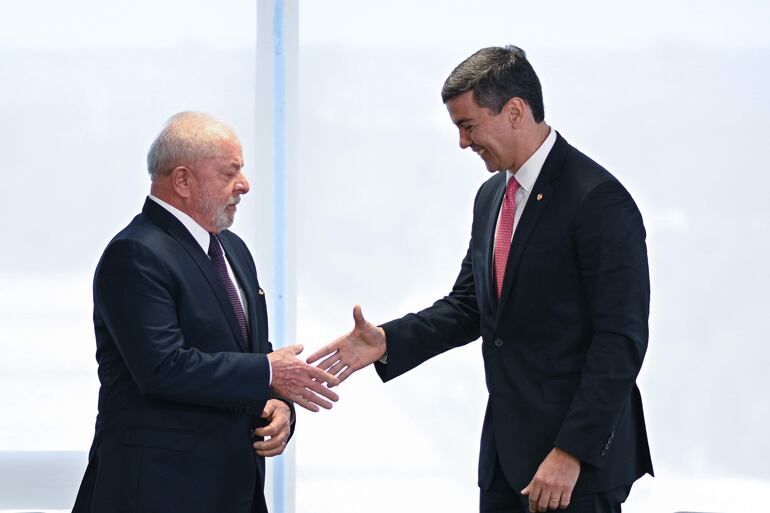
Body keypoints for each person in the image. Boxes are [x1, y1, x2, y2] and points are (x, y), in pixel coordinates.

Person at [308, 46, 653, 513]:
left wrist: (572, 451)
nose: (463, 143)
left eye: (467, 126)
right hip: (506, 460)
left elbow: (620, 341)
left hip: (576, 468)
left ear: (514, 111)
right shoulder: (492, 196)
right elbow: (469, 306)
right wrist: (386, 341)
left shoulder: (598, 201)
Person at [72, 111, 339, 513]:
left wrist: (278, 404)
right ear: (182, 180)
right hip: (157, 493)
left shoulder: (233, 250)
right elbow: (162, 367)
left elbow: (252, 358)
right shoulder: (135, 253)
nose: (244, 185)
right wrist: (268, 372)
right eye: (230, 173)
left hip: (233, 491)